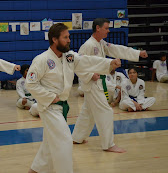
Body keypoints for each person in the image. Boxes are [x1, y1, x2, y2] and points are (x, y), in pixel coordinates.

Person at [26, 23, 122, 173]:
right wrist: (50, 97)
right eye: (65, 37)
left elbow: (88, 61)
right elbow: (30, 84)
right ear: (54, 39)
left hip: (62, 106)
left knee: (50, 144)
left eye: (68, 37)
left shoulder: (69, 57)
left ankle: (36, 170)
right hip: (49, 107)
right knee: (64, 140)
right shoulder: (42, 60)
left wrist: (108, 63)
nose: (69, 40)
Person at [71, 18, 148, 153]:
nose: (108, 30)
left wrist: (137, 53)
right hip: (92, 83)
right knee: (105, 111)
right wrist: (89, 75)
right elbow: (78, 65)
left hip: (98, 82)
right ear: (98, 28)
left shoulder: (101, 43)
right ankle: (108, 144)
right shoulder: (88, 45)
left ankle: (77, 137)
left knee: (88, 112)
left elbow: (117, 50)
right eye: (106, 28)